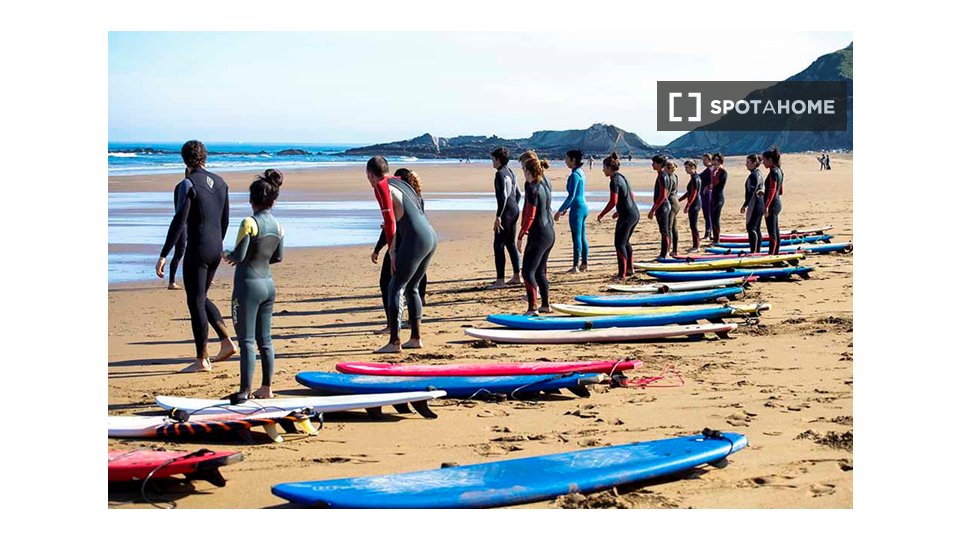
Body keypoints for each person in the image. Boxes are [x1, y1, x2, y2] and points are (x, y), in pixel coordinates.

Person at [155, 140, 236, 373]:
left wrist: (164, 254)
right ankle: (226, 342)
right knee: (201, 297)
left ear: (183, 159)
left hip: (198, 249)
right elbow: (225, 220)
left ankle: (202, 360)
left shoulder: (187, 184)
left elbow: (179, 221)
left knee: (195, 301)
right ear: (205, 157)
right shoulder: (221, 182)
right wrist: (217, 245)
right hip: (215, 247)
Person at [222, 169, 284, 400]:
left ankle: (245, 391)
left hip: (247, 287)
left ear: (251, 199)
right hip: (268, 284)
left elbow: (239, 255)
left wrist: (225, 254)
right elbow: (278, 257)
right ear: (273, 200)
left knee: (246, 341)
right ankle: (266, 388)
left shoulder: (249, 222)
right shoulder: (278, 226)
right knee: (265, 340)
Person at [367, 156, 437, 354]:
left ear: (370, 174)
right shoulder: (399, 181)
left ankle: (394, 341)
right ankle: (415, 338)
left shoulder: (381, 186)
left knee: (395, 287)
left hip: (416, 239)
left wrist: (392, 251)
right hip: (430, 236)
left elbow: (389, 221)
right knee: (412, 287)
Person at [372, 168, 428, 334]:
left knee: (388, 284)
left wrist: (378, 249)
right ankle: (413, 325)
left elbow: (390, 228)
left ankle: (392, 326)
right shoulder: (416, 197)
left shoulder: (397, 195)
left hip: (400, 245)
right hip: (421, 243)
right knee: (412, 285)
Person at [517, 154, 555, 315]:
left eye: (523, 169)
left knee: (527, 271)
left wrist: (520, 235)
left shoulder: (532, 189)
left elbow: (531, 215)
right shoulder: (544, 185)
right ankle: (545, 305)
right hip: (549, 233)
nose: (523, 172)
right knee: (540, 271)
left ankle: (532, 308)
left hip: (538, 235)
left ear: (528, 171)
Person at [597, 152, 639, 280]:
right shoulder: (622, 177)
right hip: (634, 213)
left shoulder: (614, 181)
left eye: (604, 167)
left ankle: (622, 274)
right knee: (625, 242)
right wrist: (620, 211)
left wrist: (602, 214)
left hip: (627, 216)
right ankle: (630, 269)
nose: (603, 170)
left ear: (609, 168)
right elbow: (631, 195)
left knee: (619, 244)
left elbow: (613, 201)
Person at [489, 147, 522, 289]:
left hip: (506, 213)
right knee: (510, 243)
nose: (492, 162)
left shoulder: (500, 174)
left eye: (493, 159)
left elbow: (503, 196)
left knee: (498, 245)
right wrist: (513, 207)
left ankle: (500, 280)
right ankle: (516, 276)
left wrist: (499, 216)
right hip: (514, 210)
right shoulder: (511, 173)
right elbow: (518, 194)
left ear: (498, 160)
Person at [554, 149, 589, 272]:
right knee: (582, 236)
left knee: (576, 237)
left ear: (573, 160)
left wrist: (560, 210)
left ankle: (575, 266)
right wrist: (566, 208)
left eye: (567, 159)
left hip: (577, 208)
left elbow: (571, 196)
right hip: (583, 206)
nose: (565, 161)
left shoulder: (574, 175)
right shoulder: (581, 172)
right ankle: (584, 263)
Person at [647, 155, 672, 259]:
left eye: (654, 163)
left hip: (663, 206)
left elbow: (663, 195)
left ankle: (665, 253)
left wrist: (653, 209)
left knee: (664, 230)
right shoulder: (661, 175)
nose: (652, 164)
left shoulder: (663, 176)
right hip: (662, 206)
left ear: (660, 164)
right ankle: (665, 252)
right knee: (664, 230)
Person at [761, 148, 785, 255]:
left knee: (772, 232)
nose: (763, 163)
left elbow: (772, 190)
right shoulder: (779, 171)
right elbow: (781, 191)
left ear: (770, 160)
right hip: (777, 203)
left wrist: (766, 205)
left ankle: (772, 255)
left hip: (772, 205)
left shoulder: (773, 172)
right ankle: (775, 254)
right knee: (775, 230)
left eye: (764, 160)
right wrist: (764, 194)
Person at [740, 155, 764, 253]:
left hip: (755, 204)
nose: (746, 165)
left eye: (748, 163)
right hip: (760, 203)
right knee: (756, 228)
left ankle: (753, 252)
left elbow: (751, 192)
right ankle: (757, 251)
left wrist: (744, 205)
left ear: (754, 163)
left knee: (751, 228)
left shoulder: (753, 175)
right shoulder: (759, 173)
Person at [678, 160, 702, 252]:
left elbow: (694, 193)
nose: (686, 170)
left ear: (693, 167)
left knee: (693, 225)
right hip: (695, 203)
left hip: (695, 204)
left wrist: (688, 205)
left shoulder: (695, 178)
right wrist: (679, 200)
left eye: (687, 168)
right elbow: (689, 192)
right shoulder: (695, 177)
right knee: (692, 225)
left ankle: (696, 246)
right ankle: (696, 245)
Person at [709, 153, 728, 244]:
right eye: (714, 160)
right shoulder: (713, 171)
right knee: (712, 218)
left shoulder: (723, 172)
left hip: (719, 198)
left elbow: (716, 183)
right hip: (713, 197)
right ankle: (715, 237)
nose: (715, 162)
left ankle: (717, 239)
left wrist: (715, 172)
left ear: (720, 161)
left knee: (716, 219)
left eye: (717, 160)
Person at [665, 161, 681, 257]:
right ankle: (675, 250)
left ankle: (667, 250)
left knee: (669, 228)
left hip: (671, 203)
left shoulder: (670, 177)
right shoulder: (675, 176)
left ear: (668, 168)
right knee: (674, 227)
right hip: (676, 202)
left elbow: (667, 192)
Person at [699, 154, 714, 241]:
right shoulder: (707, 170)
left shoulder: (711, 170)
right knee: (706, 214)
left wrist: (708, 186)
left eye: (705, 160)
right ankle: (708, 233)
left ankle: (708, 233)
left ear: (709, 160)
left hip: (708, 194)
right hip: (704, 194)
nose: (703, 162)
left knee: (708, 214)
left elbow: (713, 180)